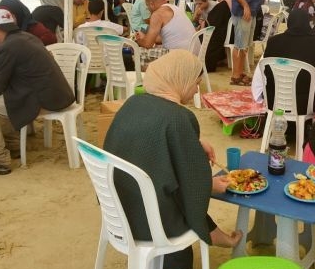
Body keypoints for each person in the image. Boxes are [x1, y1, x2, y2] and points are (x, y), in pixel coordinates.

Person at [103, 50, 242, 269]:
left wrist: (194, 143)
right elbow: (190, 188)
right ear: (180, 79)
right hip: (151, 224)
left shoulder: (133, 103)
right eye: (195, 82)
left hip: (118, 211)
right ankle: (216, 236)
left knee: (171, 183)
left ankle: (217, 234)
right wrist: (211, 185)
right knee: (185, 197)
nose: (197, 88)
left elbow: (153, 146)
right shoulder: (179, 118)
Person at [0, 9, 75, 175]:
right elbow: (9, 78)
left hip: (44, 100)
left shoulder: (7, 46)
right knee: (6, 95)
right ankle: (13, 146)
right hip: (57, 94)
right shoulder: (26, 37)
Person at [253, 9, 315, 111]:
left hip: (274, 100)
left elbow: (267, 73)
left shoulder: (273, 42)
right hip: (305, 105)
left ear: (289, 22)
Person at [202, 0, 232, 72]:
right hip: (229, 31)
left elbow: (213, 22)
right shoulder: (231, 1)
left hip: (222, 32)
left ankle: (206, 65)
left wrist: (203, 24)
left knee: (202, 37)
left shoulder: (223, 5)